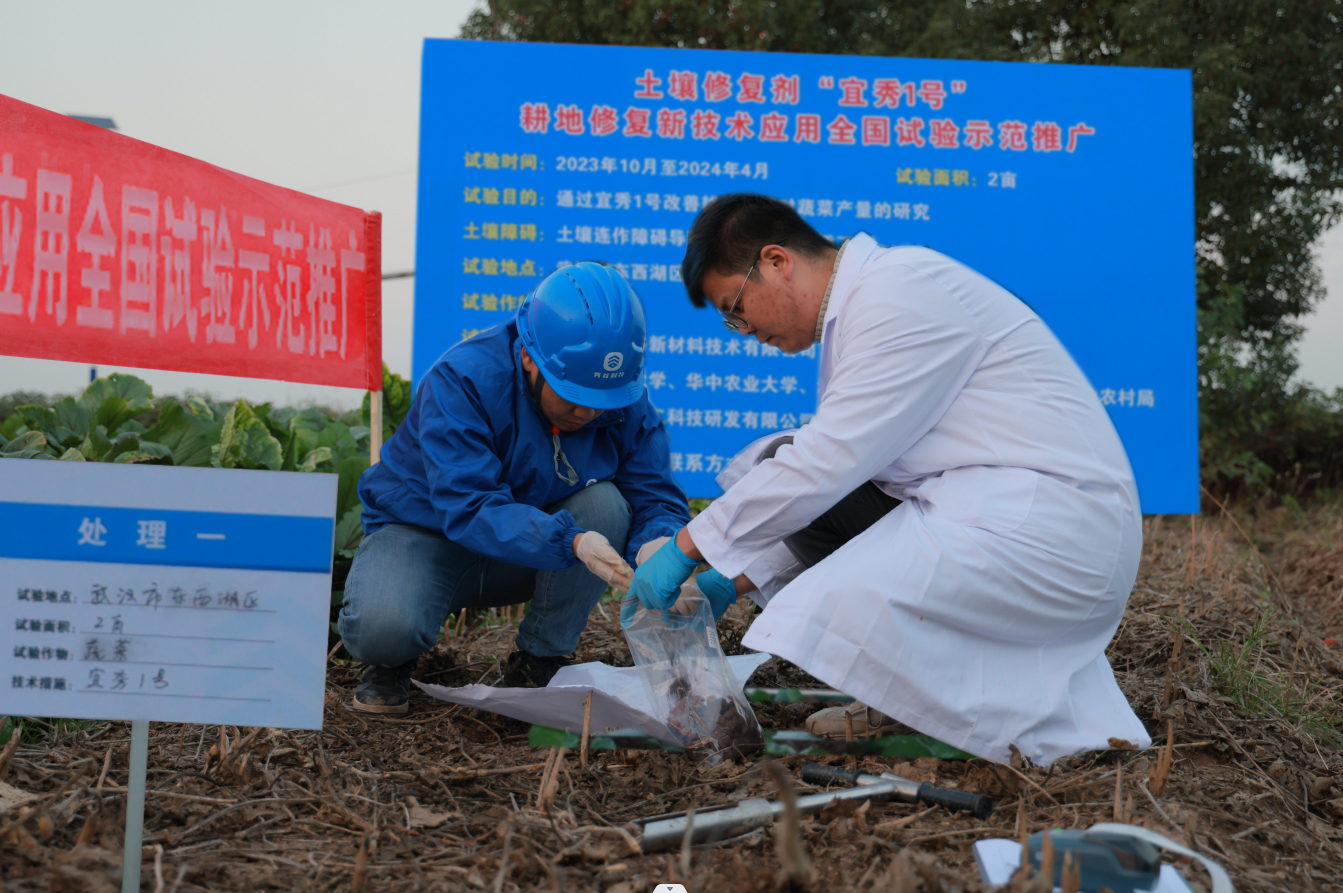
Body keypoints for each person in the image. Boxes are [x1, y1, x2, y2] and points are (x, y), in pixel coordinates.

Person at [627, 193, 1151, 764]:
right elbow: (839, 481)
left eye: (735, 307)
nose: (742, 329)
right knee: (779, 462)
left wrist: (689, 546)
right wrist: (733, 579)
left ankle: (946, 716)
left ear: (777, 262)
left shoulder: (899, 293)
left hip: (1053, 532)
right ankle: (914, 700)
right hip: (995, 512)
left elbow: (827, 462)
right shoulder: (865, 309)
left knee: (836, 575)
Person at [340, 262, 691, 714]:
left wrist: (659, 544)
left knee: (605, 504)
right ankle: (390, 663)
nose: (588, 413)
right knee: (382, 627)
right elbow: (468, 506)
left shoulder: (617, 394)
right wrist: (572, 541)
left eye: (602, 400)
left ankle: (539, 661)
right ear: (529, 356)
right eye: (573, 396)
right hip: (427, 537)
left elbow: (654, 491)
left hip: (529, 553)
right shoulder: (463, 381)